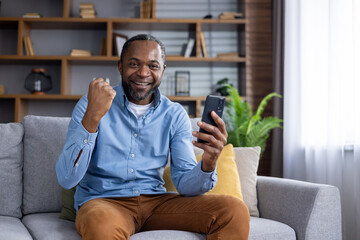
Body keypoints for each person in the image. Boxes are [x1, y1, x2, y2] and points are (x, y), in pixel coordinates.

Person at [56, 34, 249, 240]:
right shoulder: (90, 104)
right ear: (120, 66)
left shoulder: (174, 114)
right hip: (104, 202)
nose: (143, 73)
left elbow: (184, 184)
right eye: (134, 64)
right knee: (101, 226)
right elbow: (67, 178)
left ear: (162, 71)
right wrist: (92, 117)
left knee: (233, 210)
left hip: (157, 203)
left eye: (153, 66)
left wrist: (208, 163)